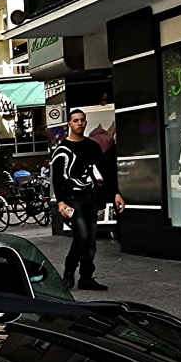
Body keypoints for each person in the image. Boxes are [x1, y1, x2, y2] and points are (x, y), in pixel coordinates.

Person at [51, 108, 124, 291]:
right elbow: (57, 179)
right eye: (75, 120)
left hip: (91, 198)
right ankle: (69, 273)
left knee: (90, 240)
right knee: (82, 237)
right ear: (69, 123)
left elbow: (105, 171)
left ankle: (86, 278)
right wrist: (60, 201)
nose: (80, 123)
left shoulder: (92, 146)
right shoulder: (62, 150)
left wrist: (115, 192)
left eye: (82, 120)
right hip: (72, 200)